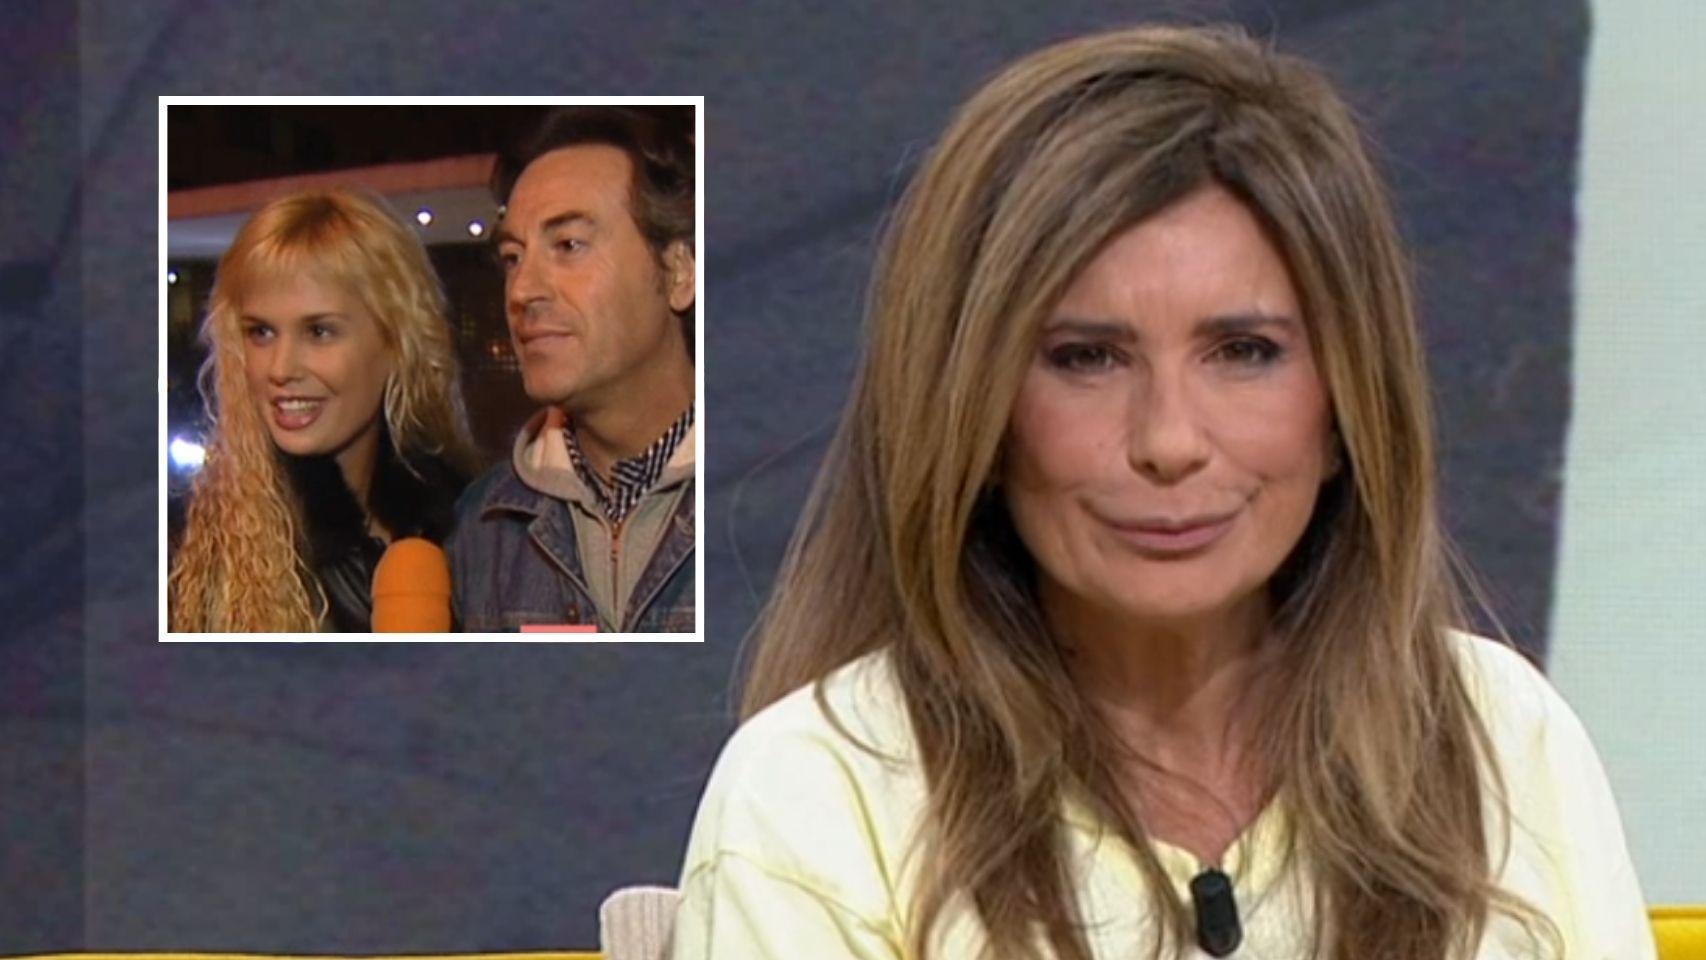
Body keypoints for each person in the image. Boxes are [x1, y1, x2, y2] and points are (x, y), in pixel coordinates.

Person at [671, 25, 1654, 960]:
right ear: (975, 411)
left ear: (1346, 405)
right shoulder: (820, 788)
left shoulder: (1499, 738)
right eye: (1085, 358)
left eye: (1244, 352)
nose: (1168, 441)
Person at [169, 190, 477, 633]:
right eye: (261, 332)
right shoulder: (185, 554)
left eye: (319, 331)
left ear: (397, 343)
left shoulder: (474, 529)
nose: (280, 368)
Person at [449, 106, 696, 633]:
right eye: (513, 257)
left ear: (678, 272)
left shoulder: (780, 497)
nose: (521, 291)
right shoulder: (483, 528)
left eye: (568, 246)